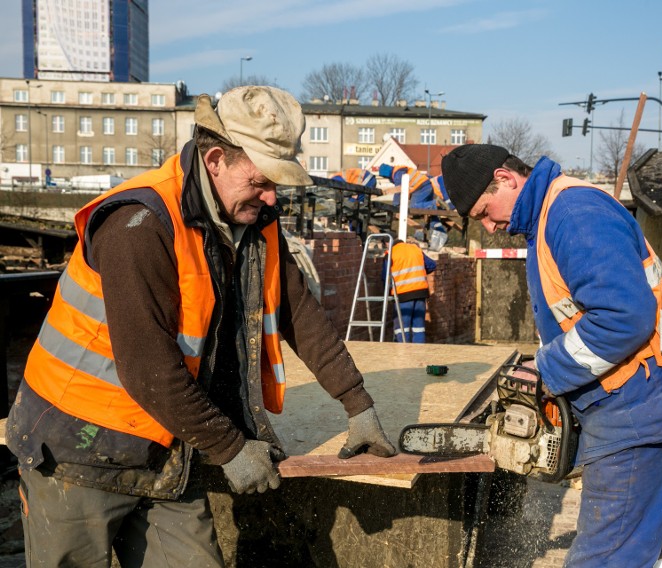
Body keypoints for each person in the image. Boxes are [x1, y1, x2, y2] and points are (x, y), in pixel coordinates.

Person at [5, 86, 397, 567]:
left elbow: (298, 312)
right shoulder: (140, 225)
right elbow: (149, 369)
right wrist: (229, 447)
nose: (271, 195)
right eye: (261, 180)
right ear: (215, 160)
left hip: (169, 440)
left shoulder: (254, 218)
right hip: (78, 444)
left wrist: (357, 403)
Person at [441, 144, 662, 568]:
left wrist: (547, 371)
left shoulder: (571, 213)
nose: (488, 226)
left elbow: (623, 318)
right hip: (652, 402)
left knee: (603, 559)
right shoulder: (550, 217)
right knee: (658, 554)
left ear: (506, 178)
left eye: (485, 211)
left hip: (638, 411)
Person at [385, 239, 436, 343]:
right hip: (420, 293)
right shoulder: (415, 249)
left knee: (402, 329)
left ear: (389, 244)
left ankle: (404, 355)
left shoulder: (391, 252)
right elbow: (432, 265)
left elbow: (385, 277)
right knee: (419, 328)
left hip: (403, 295)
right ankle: (418, 355)